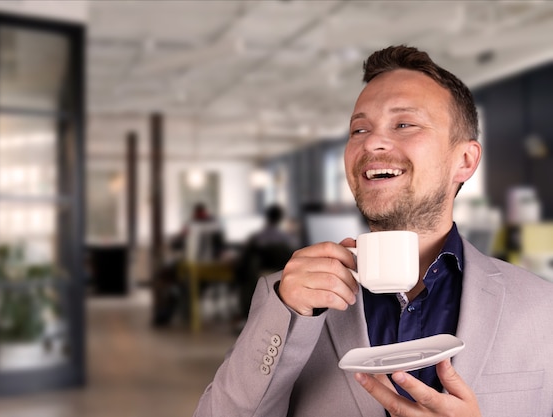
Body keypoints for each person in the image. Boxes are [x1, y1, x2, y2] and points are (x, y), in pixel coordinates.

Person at [192, 45, 553, 417]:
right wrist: (285, 313)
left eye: (404, 124)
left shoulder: (543, 308)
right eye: (359, 129)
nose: (371, 142)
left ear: (464, 161)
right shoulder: (288, 297)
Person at [235, 204, 298, 320]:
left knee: (243, 278)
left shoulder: (257, 237)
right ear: (280, 218)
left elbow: (245, 257)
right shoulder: (285, 238)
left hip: (258, 273)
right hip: (280, 274)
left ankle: (245, 315)